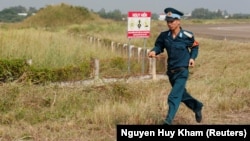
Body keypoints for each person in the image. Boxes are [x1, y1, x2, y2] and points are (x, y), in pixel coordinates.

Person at [148, 7, 203, 125]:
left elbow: (194, 47)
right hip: (171, 71)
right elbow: (159, 46)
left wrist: (192, 58)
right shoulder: (164, 36)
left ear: (178, 21)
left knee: (173, 97)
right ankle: (197, 106)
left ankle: (167, 122)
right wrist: (154, 51)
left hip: (182, 70)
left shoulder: (187, 36)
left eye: (172, 21)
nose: (169, 24)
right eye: (168, 21)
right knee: (181, 95)